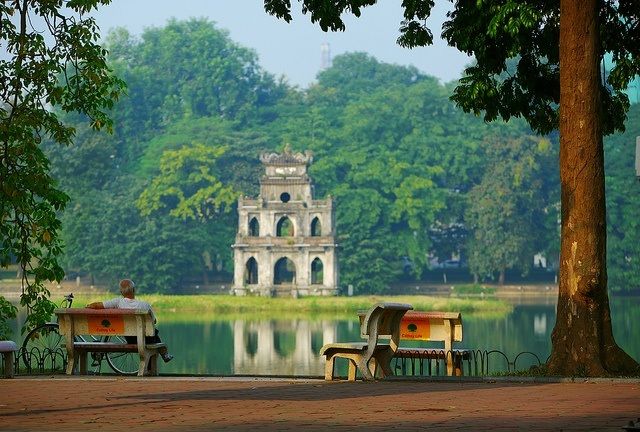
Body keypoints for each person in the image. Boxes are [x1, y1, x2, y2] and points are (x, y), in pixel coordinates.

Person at [86, 278, 174, 363]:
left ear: (121, 292)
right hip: (146, 339)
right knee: (154, 333)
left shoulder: (118, 302)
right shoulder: (145, 305)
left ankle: (159, 358)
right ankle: (164, 355)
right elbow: (154, 321)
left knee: (152, 334)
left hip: (130, 339)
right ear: (134, 290)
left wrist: (89, 306)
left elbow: (98, 305)